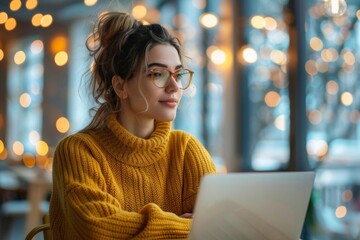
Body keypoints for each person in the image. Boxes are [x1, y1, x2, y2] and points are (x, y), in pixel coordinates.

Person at [49, 11, 216, 239]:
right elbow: (98, 229)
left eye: (178, 74)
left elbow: (221, 226)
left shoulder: (187, 151)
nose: (174, 86)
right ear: (120, 87)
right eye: (158, 74)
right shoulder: (78, 151)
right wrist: (185, 227)